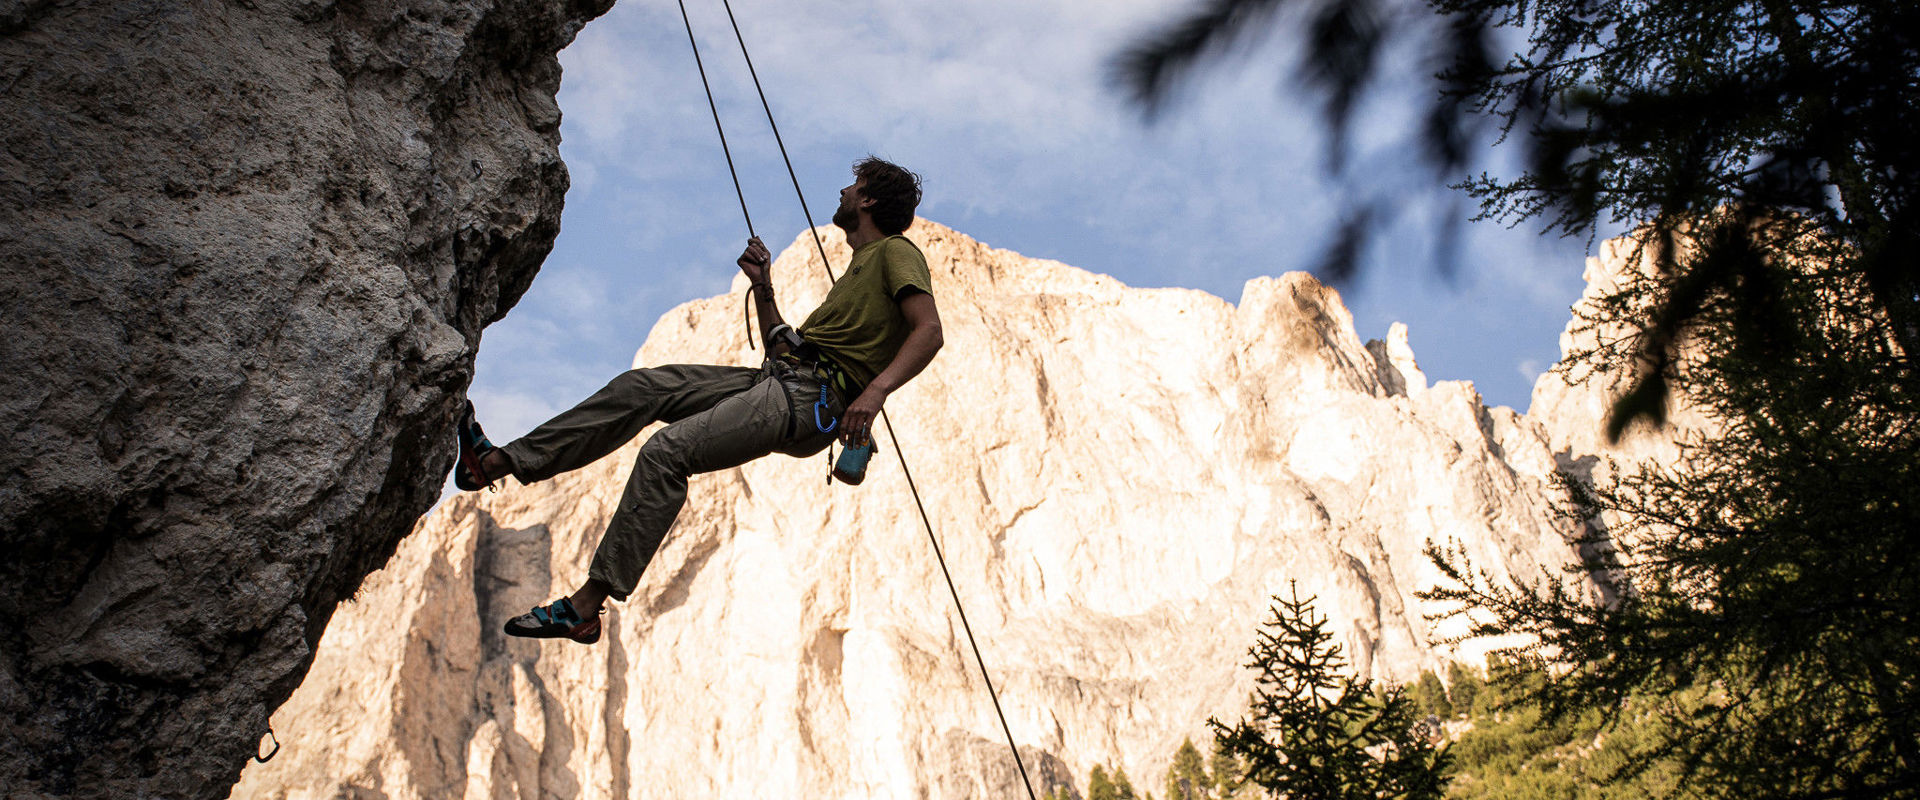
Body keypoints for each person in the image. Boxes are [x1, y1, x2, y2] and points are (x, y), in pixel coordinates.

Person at [453, 157, 943, 644]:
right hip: (782, 380)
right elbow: (780, 344)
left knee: (666, 452)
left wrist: (875, 392)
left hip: (808, 398)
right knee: (642, 389)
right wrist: (762, 283)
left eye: (853, 185)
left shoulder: (897, 251)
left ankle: (584, 607)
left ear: (869, 199)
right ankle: (496, 462)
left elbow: (929, 330)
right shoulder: (859, 270)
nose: (843, 190)